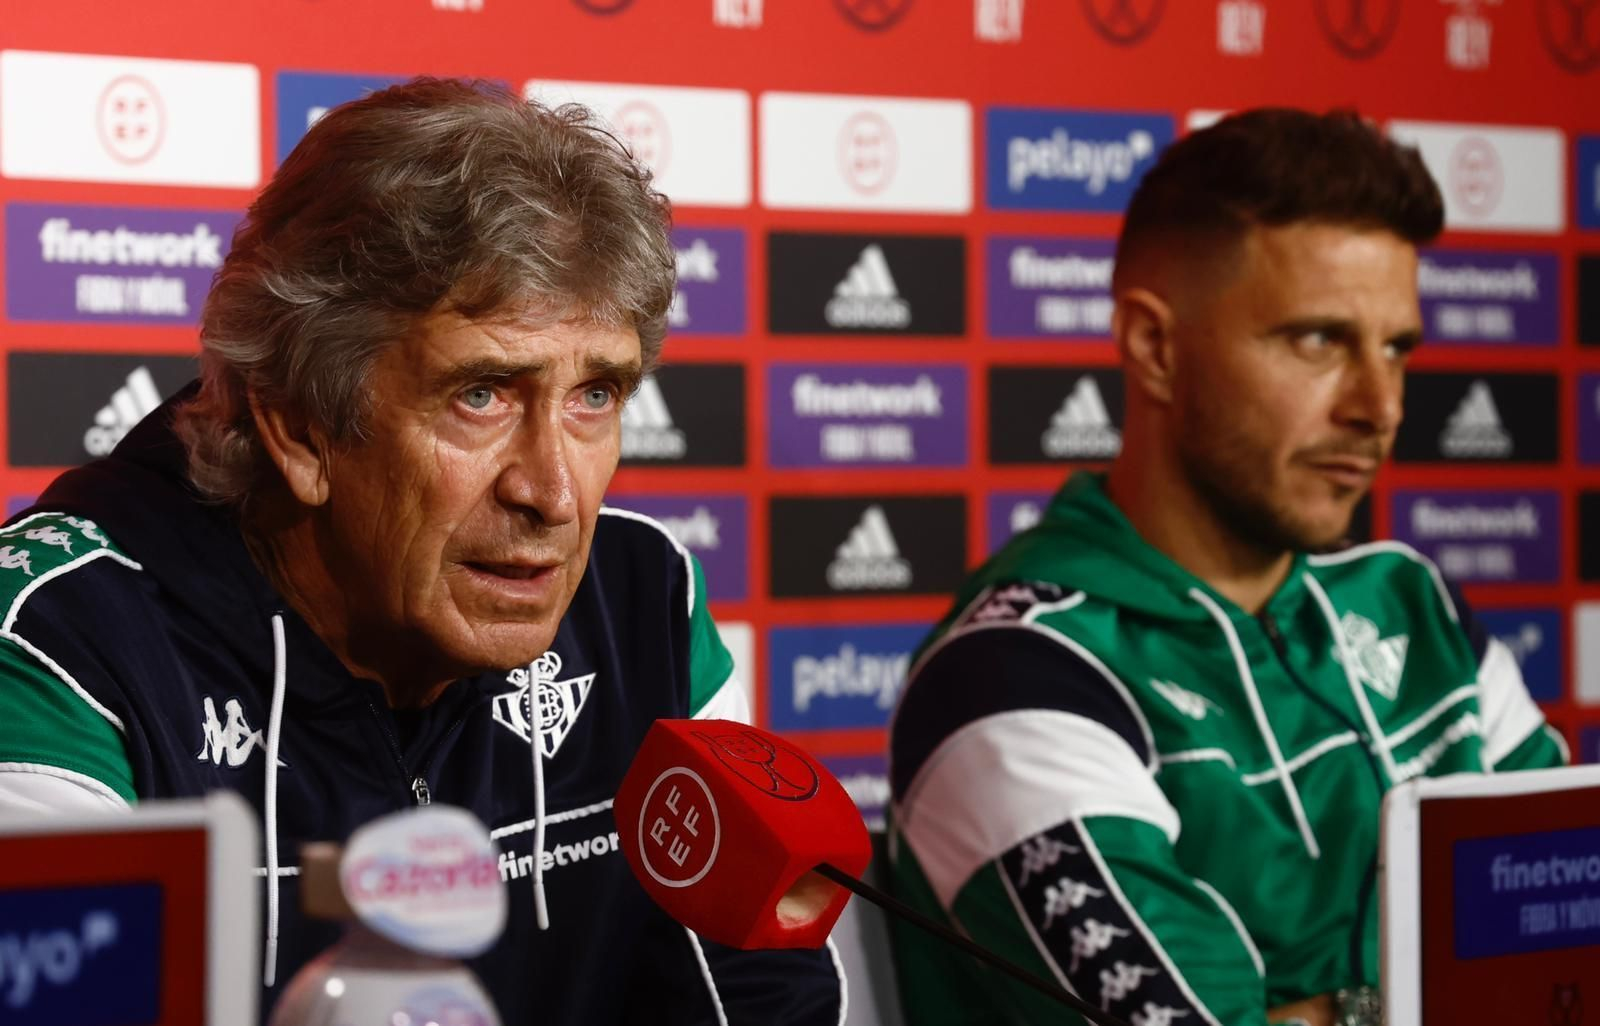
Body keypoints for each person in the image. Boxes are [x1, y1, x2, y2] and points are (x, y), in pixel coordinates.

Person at [0, 78, 845, 1024]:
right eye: (481, 395)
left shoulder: (642, 603)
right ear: (302, 426)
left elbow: (766, 1000)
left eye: (595, 396)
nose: (554, 496)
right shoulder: (55, 653)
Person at [886, 108, 1566, 1026]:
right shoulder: (1013, 679)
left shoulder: (1413, 605)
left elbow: (1565, 950)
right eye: (1318, 340)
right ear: (1155, 348)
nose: (1380, 406)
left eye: (1396, 348)